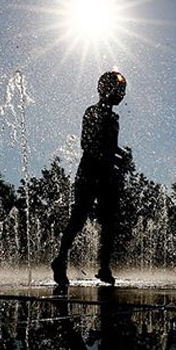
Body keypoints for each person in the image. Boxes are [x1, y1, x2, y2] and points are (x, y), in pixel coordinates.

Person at [51, 71, 130, 286]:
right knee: (78, 218)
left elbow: (111, 146)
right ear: (104, 89)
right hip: (89, 171)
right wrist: (111, 159)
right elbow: (86, 144)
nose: (121, 94)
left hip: (106, 174)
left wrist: (121, 156)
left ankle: (104, 267)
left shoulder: (114, 118)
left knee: (109, 222)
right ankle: (60, 260)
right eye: (118, 89)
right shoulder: (92, 112)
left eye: (122, 90)